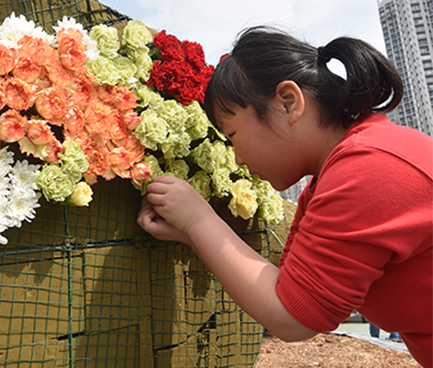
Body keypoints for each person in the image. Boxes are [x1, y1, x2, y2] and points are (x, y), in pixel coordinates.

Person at [137, 26, 432, 368]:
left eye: (233, 136)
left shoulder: (368, 168)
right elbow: (288, 285)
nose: (237, 158)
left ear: (288, 103)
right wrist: (191, 232)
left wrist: (198, 219)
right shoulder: (334, 175)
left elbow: (293, 318)